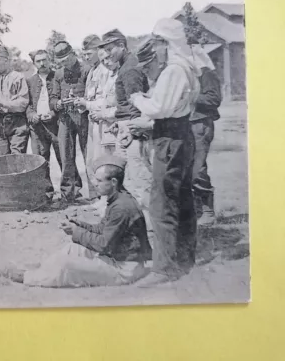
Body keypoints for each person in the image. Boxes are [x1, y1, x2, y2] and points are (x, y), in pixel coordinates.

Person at [2, 156, 151, 288]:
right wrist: (80, 225)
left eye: (99, 180)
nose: (94, 183)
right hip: (116, 258)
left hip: (124, 269)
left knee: (66, 265)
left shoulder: (121, 207)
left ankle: (26, 277)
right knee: (71, 249)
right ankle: (40, 272)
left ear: (113, 182)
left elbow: (103, 244)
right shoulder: (119, 199)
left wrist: (76, 232)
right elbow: (102, 229)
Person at [130, 19, 201, 286]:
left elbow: (159, 108)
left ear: (166, 43)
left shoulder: (173, 70)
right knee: (182, 198)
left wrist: (137, 98)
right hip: (182, 134)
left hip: (170, 136)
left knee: (161, 203)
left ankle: (164, 268)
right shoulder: (189, 67)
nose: (156, 49)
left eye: (158, 43)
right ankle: (183, 258)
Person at [96, 29, 153, 214]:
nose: (107, 54)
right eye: (105, 49)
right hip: (126, 126)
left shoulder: (130, 69)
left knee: (139, 180)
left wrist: (127, 126)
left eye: (111, 49)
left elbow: (137, 103)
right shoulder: (125, 65)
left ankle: (148, 229)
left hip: (133, 131)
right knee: (128, 180)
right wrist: (120, 122)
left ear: (122, 45)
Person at [50, 40, 90, 204]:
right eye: (61, 62)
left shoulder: (86, 70)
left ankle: (96, 193)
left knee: (89, 155)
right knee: (66, 156)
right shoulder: (59, 74)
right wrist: (57, 104)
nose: (64, 64)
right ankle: (69, 193)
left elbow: (94, 95)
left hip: (83, 118)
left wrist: (81, 100)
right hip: (65, 119)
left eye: (66, 59)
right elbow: (53, 97)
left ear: (73, 54)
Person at [73, 35, 111, 199]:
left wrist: (86, 104)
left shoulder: (105, 70)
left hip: (104, 121)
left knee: (103, 162)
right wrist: (82, 104)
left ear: (98, 50)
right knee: (92, 160)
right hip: (92, 120)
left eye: (89, 53)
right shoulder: (92, 71)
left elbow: (105, 100)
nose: (86, 57)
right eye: (85, 54)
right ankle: (97, 196)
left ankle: (106, 199)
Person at [189, 44, 222, 226]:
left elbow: (214, 99)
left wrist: (190, 96)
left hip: (200, 124)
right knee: (187, 169)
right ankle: (197, 210)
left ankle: (208, 211)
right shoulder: (183, 75)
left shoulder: (205, 73)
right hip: (185, 124)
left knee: (197, 170)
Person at [26, 49, 61, 197]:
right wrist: (32, 114)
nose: (42, 63)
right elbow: (26, 104)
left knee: (63, 157)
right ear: (34, 63)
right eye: (38, 61)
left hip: (57, 124)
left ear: (49, 60)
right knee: (41, 159)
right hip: (38, 126)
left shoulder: (58, 77)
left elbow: (63, 99)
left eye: (44, 60)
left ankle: (70, 191)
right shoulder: (30, 81)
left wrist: (53, 113)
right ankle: (47, 191)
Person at [0, 44, 29, 155]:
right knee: (3, 159)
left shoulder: (18, 77)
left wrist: (4, 104)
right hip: (2, 124)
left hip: (17, 123)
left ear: (6, 61)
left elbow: (23, 102)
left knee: (16, 158)